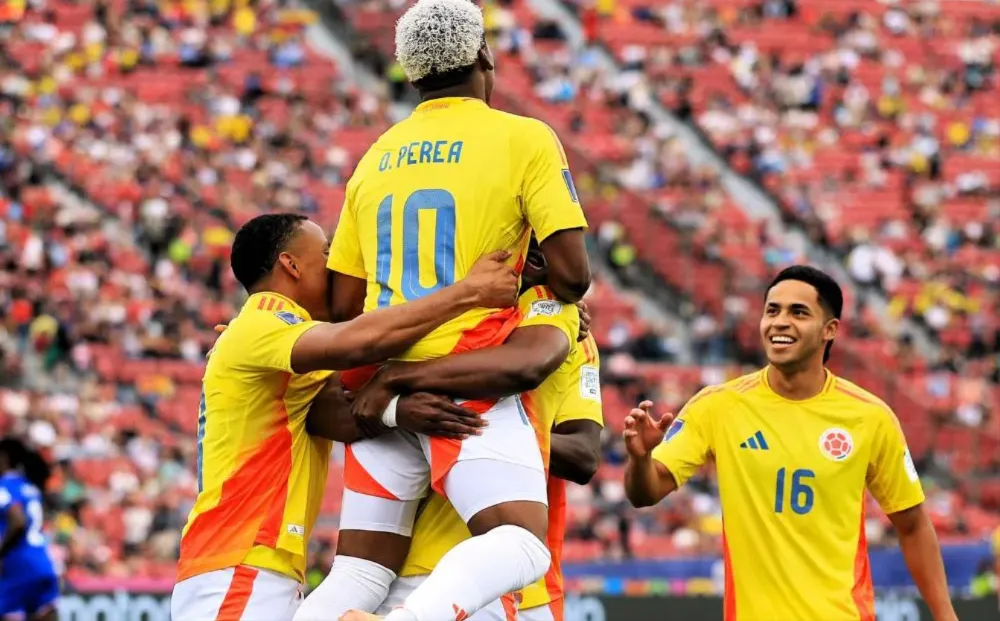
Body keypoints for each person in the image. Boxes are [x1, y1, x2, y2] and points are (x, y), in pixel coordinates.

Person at [316, 0, 591, 617]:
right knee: (521, 545)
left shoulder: (374, 157)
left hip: (380, 392)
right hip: (470, 376)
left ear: (412, 76)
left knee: (358, 574)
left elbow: (340, 306)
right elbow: (574, 276)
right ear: (484, 56)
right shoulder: (523, 137)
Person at [171, 213, 517, 621]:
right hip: (239, 562)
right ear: (291, 265)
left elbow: (339, 412)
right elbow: (357, 343)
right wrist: (467, 293)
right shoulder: (264, 319)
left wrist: (395, 410)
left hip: (251, 564)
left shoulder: (271, 336)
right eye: (326, 253)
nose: (336, 265)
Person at [622, 265, 958, 621]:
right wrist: (640, 460)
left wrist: (945, 616)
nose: (780, 322)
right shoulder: (718, 405)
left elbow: (913, 524)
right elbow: (646, 492)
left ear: (830, 330)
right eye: (772, 310)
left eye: (798, 312)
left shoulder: (870, 417)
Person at [301, 243, 602, 621]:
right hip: (414, 568)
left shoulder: (562, 329)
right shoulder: (425, 318)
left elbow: (584, 455)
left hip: (508, 579)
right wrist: (399, 410)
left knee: (524, 548)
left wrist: (504, 433)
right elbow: (324, 411)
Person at [0, 438, 59, 621]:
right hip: (43, 562)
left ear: (4, 458)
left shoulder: (3, 486)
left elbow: (18, 520)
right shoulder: (30, 487)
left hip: (18, 565)